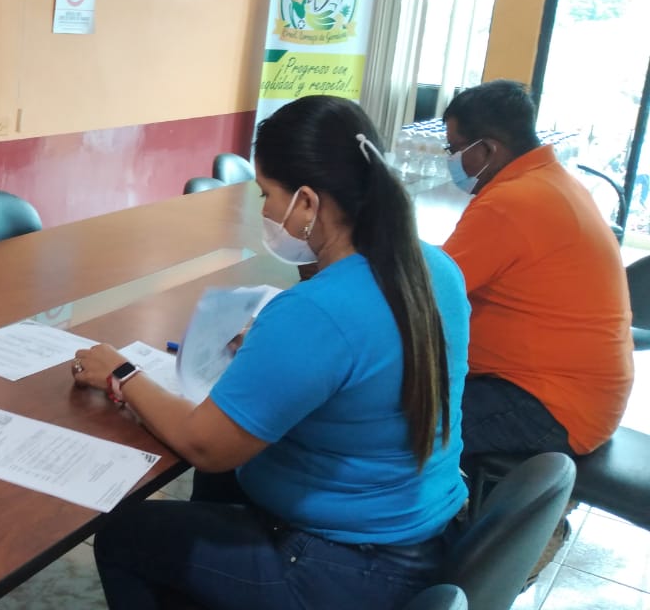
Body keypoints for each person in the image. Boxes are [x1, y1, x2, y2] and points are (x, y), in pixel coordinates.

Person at [72, 96, 471, 610]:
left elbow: (204, 445)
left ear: (306, 202)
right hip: (424, 531)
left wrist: (122, 372)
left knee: (125, 534)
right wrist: (274, 351)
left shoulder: (317, 311)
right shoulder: (433, 267)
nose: (263, 209)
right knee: (220, 482)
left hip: (352, 567)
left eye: (266, 193)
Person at [442, 80, 632, 460]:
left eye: (455, 149)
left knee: (386, 424)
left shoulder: (509, 203)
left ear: (488, 149)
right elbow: (447, 271)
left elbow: (426, 291)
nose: (452, 160)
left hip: (546, 407)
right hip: (583, 398)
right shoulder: (552, 182)